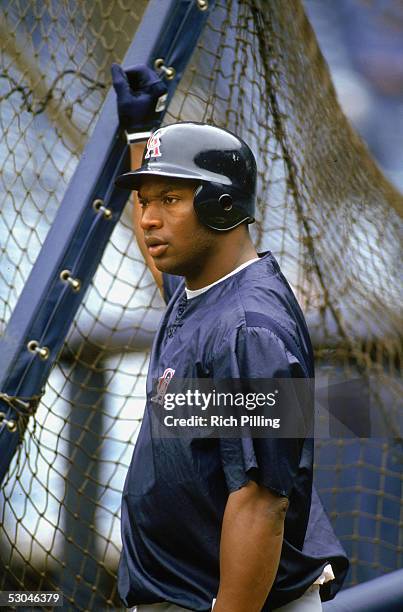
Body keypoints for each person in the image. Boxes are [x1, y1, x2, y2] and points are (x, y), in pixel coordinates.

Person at [112, 64, 349, 612]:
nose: (148, 219)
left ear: (222, 206)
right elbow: (164, 263)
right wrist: (140, 140)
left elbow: (262, 503)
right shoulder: (204, 288)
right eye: (145, 201)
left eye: (169, 199)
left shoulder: (252, 330)